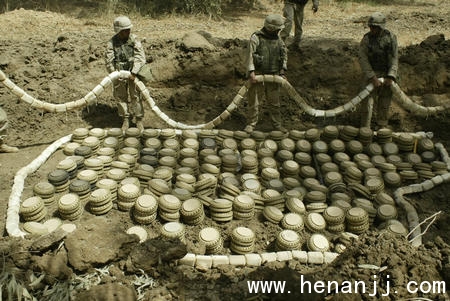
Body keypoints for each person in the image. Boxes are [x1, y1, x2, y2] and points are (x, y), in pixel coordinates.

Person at [245, 14, 288, 133]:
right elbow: (249, 56)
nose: (279, 31)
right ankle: (251, 124)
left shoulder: (279, 40)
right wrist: (251, 72)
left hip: (274, 75)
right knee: (254, 102)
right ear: (271, 28)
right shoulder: (256, 38)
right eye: (278, 29)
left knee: (274, 103)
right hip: (258, 74)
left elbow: (284, 56)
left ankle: (277, 125)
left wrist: (282, 72)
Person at [105, 16, 146, 133]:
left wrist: (134, 72)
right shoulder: (111, 43)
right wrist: (114, 74)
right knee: (121, 97)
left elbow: (140, 57)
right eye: (125, 30)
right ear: (119, 31)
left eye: (129, 30)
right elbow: (109, 61)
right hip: (119, 75)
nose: (128, 32)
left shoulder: (134, 39)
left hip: (134, 74)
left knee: (136, 96)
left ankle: (138, 120)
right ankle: (126, 119)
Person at [358, 12, 398, 129]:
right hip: (371, 73)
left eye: (374, 27)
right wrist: (372, 77)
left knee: (384, 103)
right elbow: (363, 59)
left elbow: (394, 58)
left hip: (386, 73)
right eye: (370, 26)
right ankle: (365, 128)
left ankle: (382, 127)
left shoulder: (390, 38)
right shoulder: (366, 39)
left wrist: (391, 76)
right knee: (366, 102)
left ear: (381, 27)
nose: (372, 29)